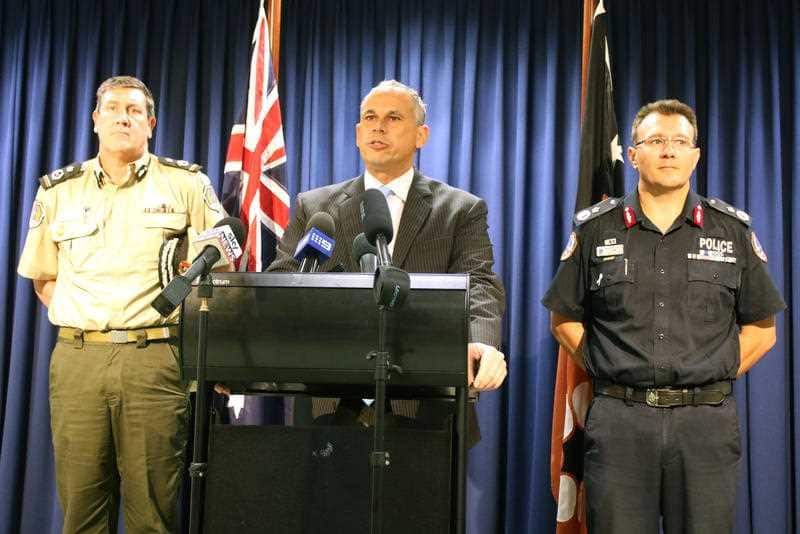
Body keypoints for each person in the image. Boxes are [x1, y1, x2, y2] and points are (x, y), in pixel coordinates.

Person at [543, 99, 785, 533]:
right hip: (620, 422)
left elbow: (762, 330)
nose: (669, 151)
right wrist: (605, 366)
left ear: (696, 155)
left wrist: (713, 372)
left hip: (705, 426)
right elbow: (563, 319)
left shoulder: (731, 230)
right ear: (633, 154)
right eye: (656, 141)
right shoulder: (595, 229)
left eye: (680, 142)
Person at [17, 75, 226, 533]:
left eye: (134, 111)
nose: (122, 118)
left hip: (153, 360)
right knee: (81, 509)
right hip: (79, 360)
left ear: (150, 123)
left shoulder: (187, 184)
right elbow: (44, 278)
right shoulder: (59, 191)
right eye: (112, 109)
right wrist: (92, 321)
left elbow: (222, 265)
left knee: (152, 513)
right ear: (96, 120)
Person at [267, 80, 507, 440]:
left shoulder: (459, 210)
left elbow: (480, 285)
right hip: (328, 406)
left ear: (421, 135)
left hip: (425, 406)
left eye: (394, 117)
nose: (378, 126)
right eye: (370, 117)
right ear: (358, 133)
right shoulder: (315, 208)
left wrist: (483, 341)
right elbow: (283, 286)